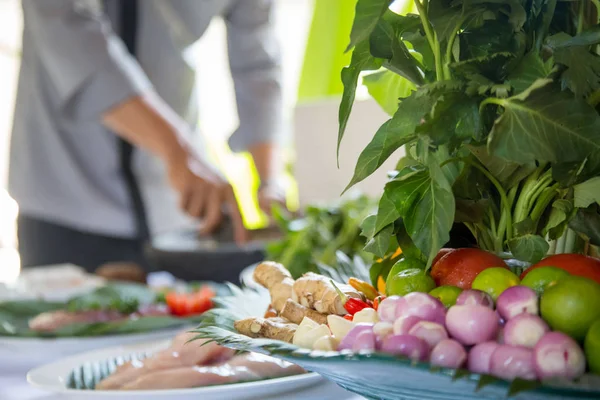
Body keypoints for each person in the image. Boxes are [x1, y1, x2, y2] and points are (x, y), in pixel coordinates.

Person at [9, 0, 286, 272]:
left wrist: (269, 181)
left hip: (174, 213)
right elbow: (65, 27)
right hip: (66, 190)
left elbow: (257, 61)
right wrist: (177, 150)